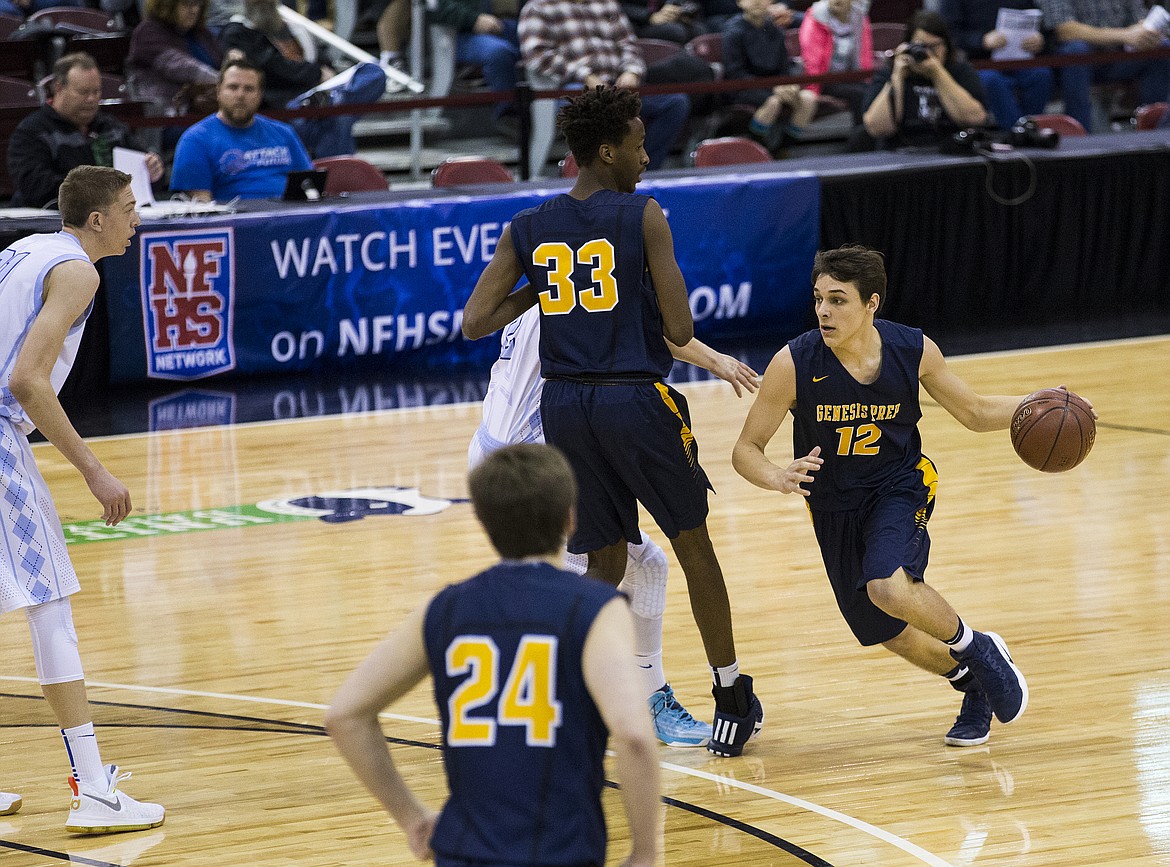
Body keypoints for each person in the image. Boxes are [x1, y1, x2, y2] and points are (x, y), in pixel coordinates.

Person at [462, 85, 765, 758]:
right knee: (691, 547)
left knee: (603, 560)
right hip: (635, 400)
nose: (646, 155)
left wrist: (541, 288)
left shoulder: (529, 226)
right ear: (606, 151)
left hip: (566, 406)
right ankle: (730, 695)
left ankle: (552, 692)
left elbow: (476, 319)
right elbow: (679, 325)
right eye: (636, 144)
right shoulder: (643, 214)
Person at [732, 245, 1090, 747]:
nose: (824, 312)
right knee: (886, 629)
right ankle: (973, 684)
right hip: (834, 505)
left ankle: (980, 648)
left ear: (872, 304)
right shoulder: (793, 363)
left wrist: (1047, 403)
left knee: (888, 586)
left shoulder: (914, 349)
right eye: (818, 300)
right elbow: (746, 449)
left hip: (901, 485)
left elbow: (974, 410)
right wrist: (775, 476)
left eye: (838, 300)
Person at [326, 443, 661, 867]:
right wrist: (645, 853)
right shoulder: (595, 608)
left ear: (483, 521)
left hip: (463, 852)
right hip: (559, 853)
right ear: (570, 518)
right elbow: (633, 736)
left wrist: (412, 818)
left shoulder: (445, 608)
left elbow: (345, 716)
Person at [468, 304, 760, 747]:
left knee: (633, 567)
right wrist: (712, 359)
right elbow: (635, 321)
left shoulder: (539, 285)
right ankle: (538, 703)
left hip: (500, 451)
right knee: (616, 574)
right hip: (530, 460)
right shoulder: (570, 284)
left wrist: (713, 360)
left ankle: (551, 701)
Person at [0, 165, 165, 832]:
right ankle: (93, 788)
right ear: (96, 219)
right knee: (50, 607)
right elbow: (27, 379)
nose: (135, 220)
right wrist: (94, 470)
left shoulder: (22, 249)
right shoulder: (77, 271)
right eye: (128, 209)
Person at [518, 0, 691, 170]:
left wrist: (631, 71)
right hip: (572, 88)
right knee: (597, 108)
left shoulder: (608, 4)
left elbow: (628, 44)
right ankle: (598, 178)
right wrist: (585, 76)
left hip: (617, 86)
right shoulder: (539, 7)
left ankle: (642, 171)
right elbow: (536, 55)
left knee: (675, 103)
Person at [219, 0, 387, 158]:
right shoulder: (237, 32)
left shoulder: (293, 27)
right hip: (288, 109)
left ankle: (337, 99)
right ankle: (337, 102)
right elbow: (275, 67)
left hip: (320, 94)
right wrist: (317, 73)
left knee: (373, 72)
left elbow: (324, 63)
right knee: (339, 119)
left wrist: (326, 74)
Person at [6, 54, 164, 209]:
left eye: (96, 92)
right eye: (83, 92)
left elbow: (143, 173)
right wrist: (93, 192)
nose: (91, 99)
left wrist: (152, 172)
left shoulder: (112, 127)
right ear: (58, 88)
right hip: (54, 224)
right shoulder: (32, 132)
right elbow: (34, 186)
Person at [170, 59, 313, 202]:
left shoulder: (284, 133)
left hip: (291, 217)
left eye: (249, 89)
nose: (240, 95)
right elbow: (201, 205)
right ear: (218, 91)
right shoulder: (195, 139)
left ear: (260, 95)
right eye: (233, 87)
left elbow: (309, 185)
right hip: (235, 220)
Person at [854, 10, 990, 151]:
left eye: (934, 47)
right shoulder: (889, 73)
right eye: (921, 47)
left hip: (951, 151)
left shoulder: (960, 70)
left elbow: (975, 119)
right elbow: (877, 128)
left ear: (946, 46)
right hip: (900, 154)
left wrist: (937, 73)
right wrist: (897, 77)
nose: (928, 53)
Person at [1036, 0, 1170, 132]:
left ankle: (1156, 130)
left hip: (1117, 57)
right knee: (1076, 50)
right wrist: (1125, 35)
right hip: (1067, 64)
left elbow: (1139, 19)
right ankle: (1080, 137)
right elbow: (1065, 31)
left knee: (1162, 47)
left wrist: (1147, 31)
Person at [940, 0, 1053, 129]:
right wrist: (981, 40)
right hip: (978, 63)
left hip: (1020, 61)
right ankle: (1015, 132)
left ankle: (1033, 127)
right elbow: (949, 35)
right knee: (992, 80)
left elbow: (1041, 28)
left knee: (1041, 74)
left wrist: (1039, 39)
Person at [724, 0, 819, 152]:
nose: (756, 2)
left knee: (808, 99)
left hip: (775, 86)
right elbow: (735, 74)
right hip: (744, 88)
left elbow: (784, 67)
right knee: (773, 102)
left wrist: (789, 85)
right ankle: (757, 150)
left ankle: (782, 150)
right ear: (739, 2)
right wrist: (775, 88)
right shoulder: (733, 32)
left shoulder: (776, 30)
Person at [429, 0, 522, 134]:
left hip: (503, 23)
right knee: (499, 52)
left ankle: (553, 110)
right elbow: (437, 9)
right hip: (457, 33)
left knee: (545, 33)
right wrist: (473, 20)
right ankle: (507, 113)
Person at [126, 0, 226, 120]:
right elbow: (182, 67)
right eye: (187, 4)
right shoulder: (148, 32)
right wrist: (226, 82)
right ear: (168, 5)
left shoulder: (201, 33)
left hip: (209, 109)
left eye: (198, 4)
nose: (194, 10)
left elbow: (222, 62)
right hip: (166, 116)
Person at [798, 0, 875, 125]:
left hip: (850, 77)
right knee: (860, 94)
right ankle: (863, 138)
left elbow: (864, 53)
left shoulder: (860, 18)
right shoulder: (816, 18)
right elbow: (812, 60)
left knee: (874, 89)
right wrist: (813, 90)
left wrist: (867, 80)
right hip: (825, 80)